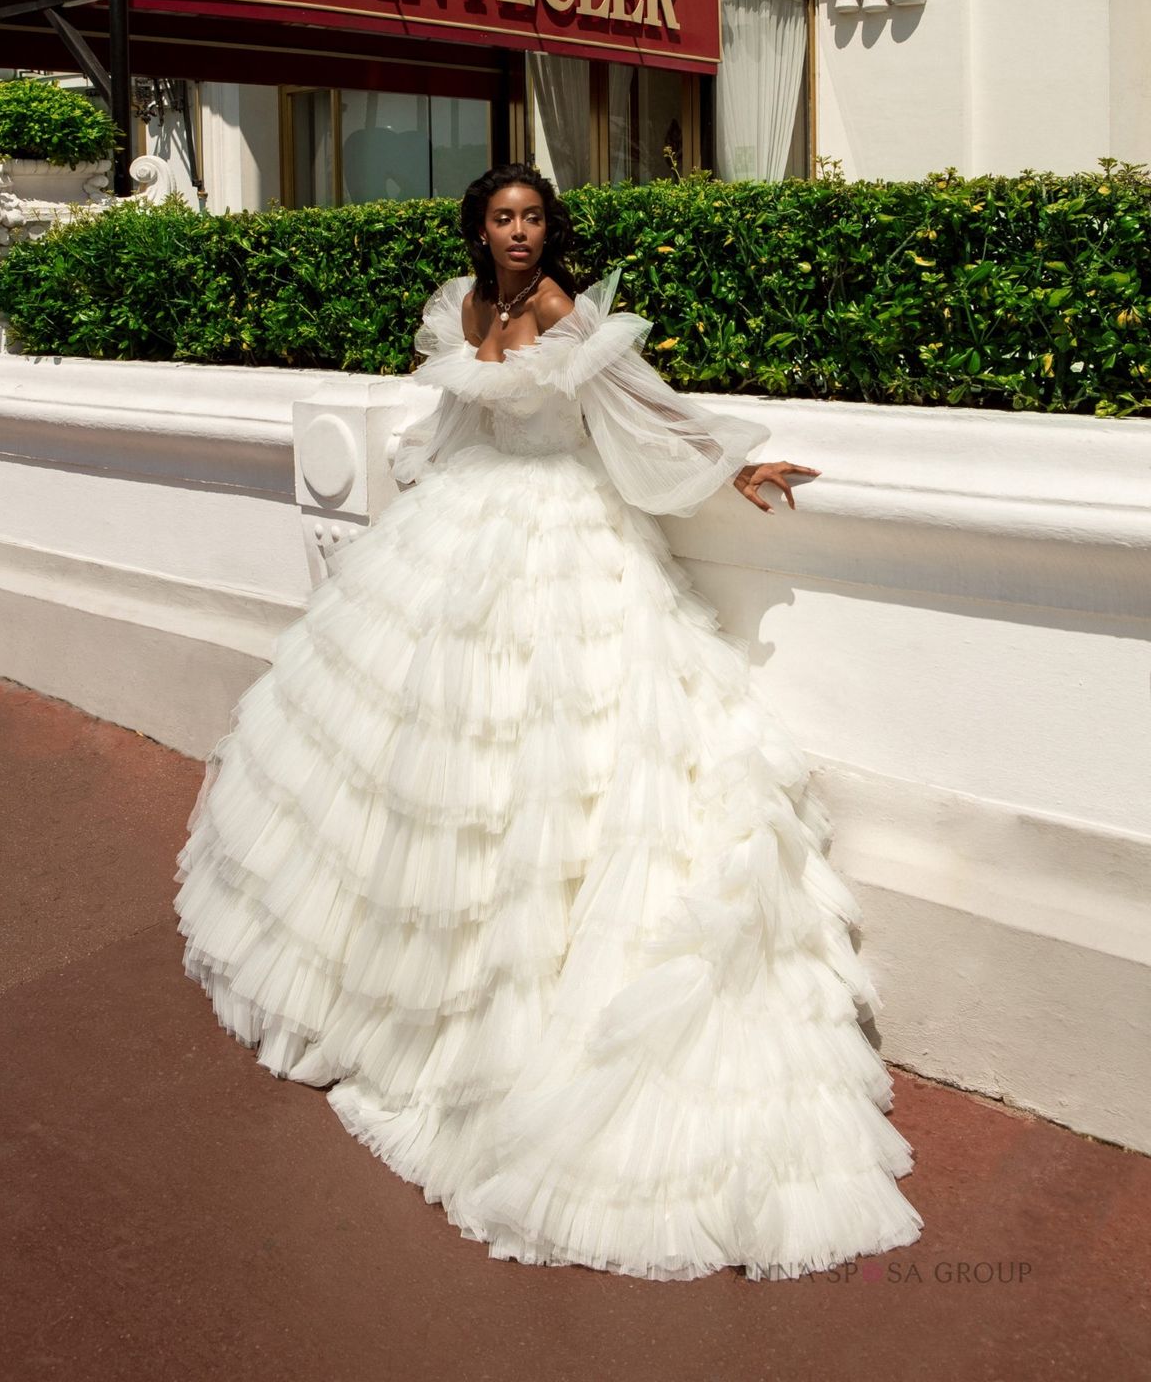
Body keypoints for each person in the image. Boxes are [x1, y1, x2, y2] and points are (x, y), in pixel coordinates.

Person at [174, 162, 923, 1282]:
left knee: (561, 752)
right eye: (503, 218)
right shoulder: (462, 307)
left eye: (532, 218)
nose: (520, 233)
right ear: (479, 230)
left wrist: (734, 464)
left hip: (567, 534)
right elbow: (446, 415)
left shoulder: (566, 306)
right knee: (429, 758)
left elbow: (641, 404)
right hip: (466, 528)